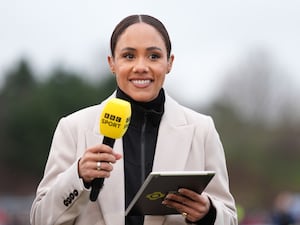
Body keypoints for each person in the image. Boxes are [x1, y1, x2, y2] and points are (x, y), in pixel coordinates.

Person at [30, 14, 237, 225]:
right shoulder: (73, 128)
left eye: (154, 56)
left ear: (169, 63)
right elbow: (40, 219)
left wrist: (208, 213)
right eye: (129, 56)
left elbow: (229, 218)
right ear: (112, 63)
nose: (141, 66)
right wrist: (78, 176)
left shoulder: (202, 130)